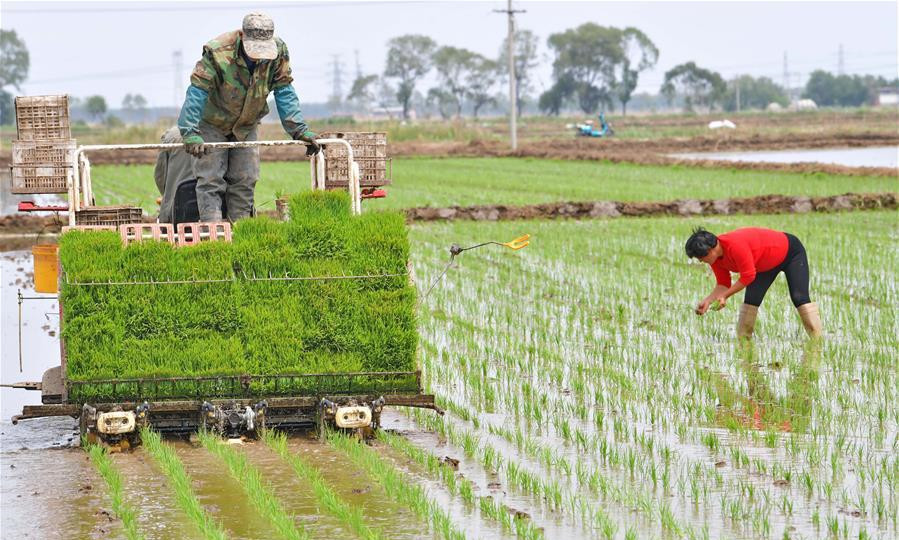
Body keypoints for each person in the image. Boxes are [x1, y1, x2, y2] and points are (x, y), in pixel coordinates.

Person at [176, 12, 320, 222]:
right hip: (212, 123)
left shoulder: (278, 52)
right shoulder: (218, 52)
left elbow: (284, 90)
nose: (258, 56)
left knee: (246, 178)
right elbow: (197, 91)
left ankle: (241, 232)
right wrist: (189, 131)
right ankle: (213, 233)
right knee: (211, 179)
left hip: (246, 124)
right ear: (242, 36)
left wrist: (299, 130)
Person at [685, 227, 822, 339]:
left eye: (701, 257)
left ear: (711, 249)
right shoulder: (715, 259)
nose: (700, 261)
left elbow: (748, 276)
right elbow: (723, 283)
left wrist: (725, 296)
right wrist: (708, 301)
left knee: (799, 297)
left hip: (790, 253)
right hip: (763, 264)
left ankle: (817, 340)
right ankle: (744, 344)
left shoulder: (735, 246)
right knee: (751, 302)